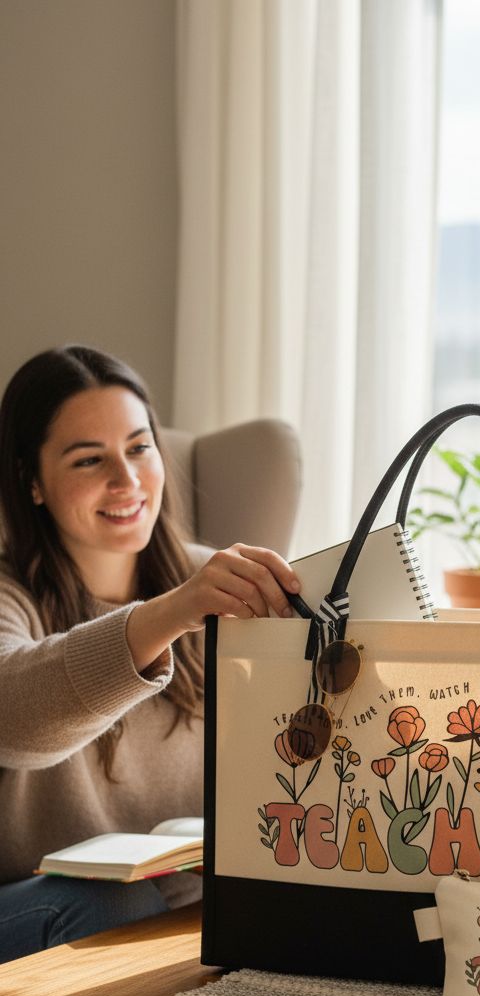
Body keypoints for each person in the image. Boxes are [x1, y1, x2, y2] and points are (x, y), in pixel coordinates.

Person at [0, 345, 300, 964]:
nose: (128, 480)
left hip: (179, 900)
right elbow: (11, 717)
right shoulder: (14, 595)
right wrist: (172, 613)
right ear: (32, 481)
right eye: (90, 459)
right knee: (117, 905)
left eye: (139, 448)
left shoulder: (207, 577)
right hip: (35, 902)